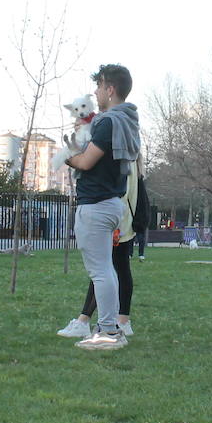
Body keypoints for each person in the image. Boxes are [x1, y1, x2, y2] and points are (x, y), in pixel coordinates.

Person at [63, 64, 140, 350]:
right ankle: (109, 329)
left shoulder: (108, 122)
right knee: (105, 269)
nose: (95, 93)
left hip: (96, 205)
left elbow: (85, 162)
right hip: (109, 204)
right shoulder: (126, 120)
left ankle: (108, 332)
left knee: (101, 271)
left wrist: (67, 156)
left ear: (110, 89)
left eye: (99, 87)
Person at [58, 154, 143, 340]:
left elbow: (122, 189)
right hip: (124, 217)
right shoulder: (131, 157)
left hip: (118, 218)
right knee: (115, 267)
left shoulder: (121, 156)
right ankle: (121, 320)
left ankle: (91, 322)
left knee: (103, 269)